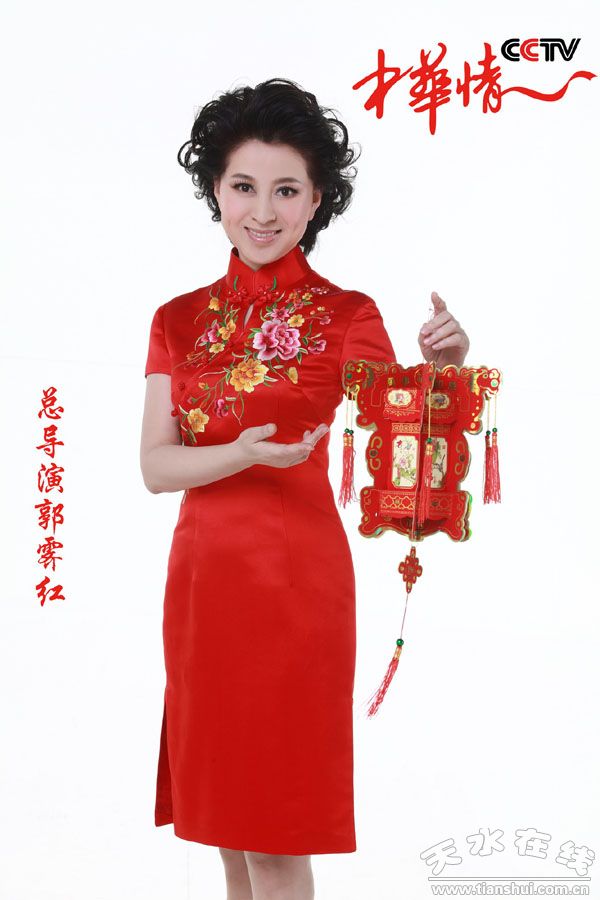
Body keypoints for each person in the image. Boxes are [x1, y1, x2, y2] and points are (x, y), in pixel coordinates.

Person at [140, 77, 470, 900]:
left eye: (286, 190)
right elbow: (155, 466)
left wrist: (443, 371)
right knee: (224, 832)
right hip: (203, 589)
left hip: (294, 592)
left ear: (316, 199)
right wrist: (241, 453)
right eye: (243, 186)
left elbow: (406, 456)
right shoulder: (177, 319)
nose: (263, 211)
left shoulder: (347, 314)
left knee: (275, 839)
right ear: (215, 191)